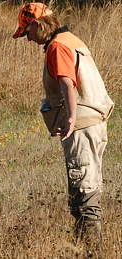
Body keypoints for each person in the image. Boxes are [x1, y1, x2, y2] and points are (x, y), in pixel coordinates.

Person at [13, 2, 114, 258]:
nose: (28, 38)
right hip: (93, 123)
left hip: (80, 126)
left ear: (37, 24)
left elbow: (68, 84)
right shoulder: (71, 39)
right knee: (87, 184)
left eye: (27, 32)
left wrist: (70, 118)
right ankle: (82, 248)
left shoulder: (57, 47)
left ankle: (93, 252)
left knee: (84, 190)